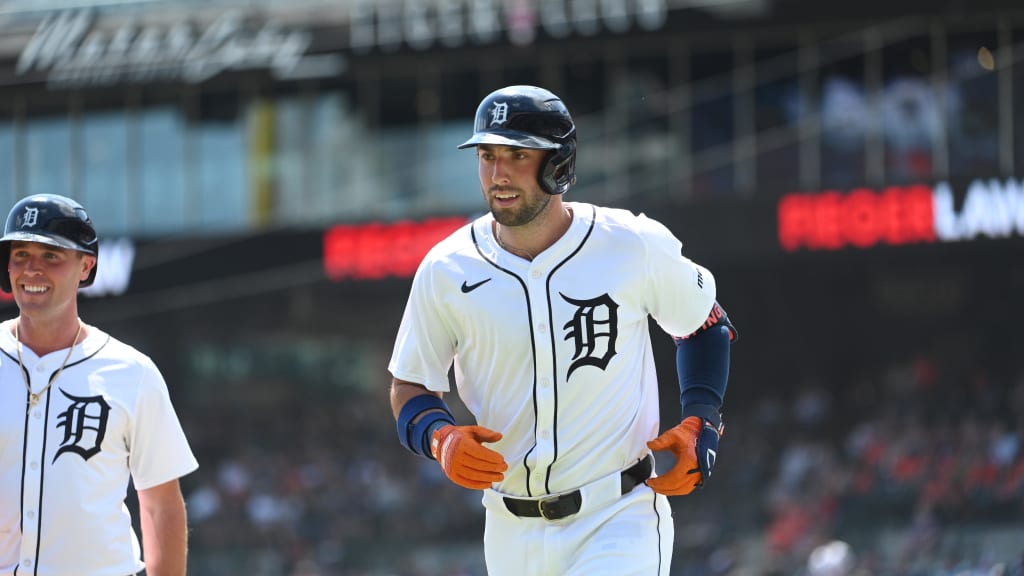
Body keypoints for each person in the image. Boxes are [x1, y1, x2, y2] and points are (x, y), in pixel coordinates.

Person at [388, 85, 737, 575]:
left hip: (616, 515)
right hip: (509, 531)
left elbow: (706, 323)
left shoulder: (630, 243)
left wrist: (701, 417)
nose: (498, 172)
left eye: (517, 154)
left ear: (559, 163)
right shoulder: (445, 268)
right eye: (487, 154)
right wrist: (439, 437)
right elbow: (411, 384)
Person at [0, 194, 198, 576]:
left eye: (51, 256)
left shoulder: (132, 372)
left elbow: (161, 505)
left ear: (85, 266)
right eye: (20, 254)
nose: (32, 270)